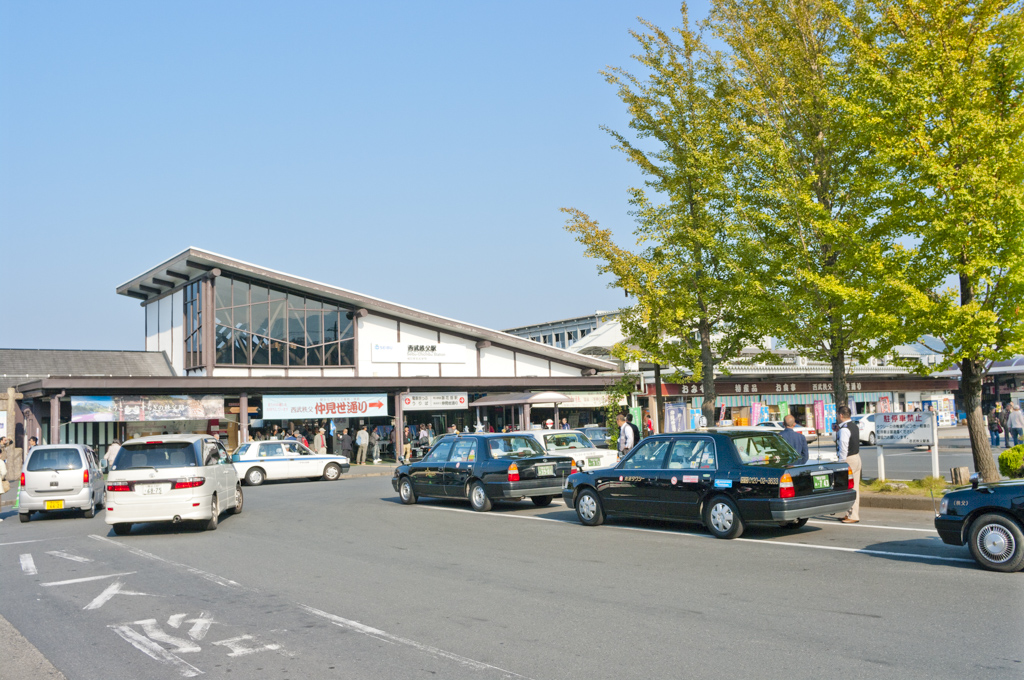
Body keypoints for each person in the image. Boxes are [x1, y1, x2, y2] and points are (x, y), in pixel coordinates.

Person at [835, 405, 861, 523]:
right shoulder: (853, 426)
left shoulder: (844, 429)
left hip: (848, 459)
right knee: (853, 487)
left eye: (837, 415)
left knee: (850, 488)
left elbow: (843, 448)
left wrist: (841, 463)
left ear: (841, 415)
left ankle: (853, 515)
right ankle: (849, 513)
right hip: (856, 457)